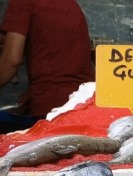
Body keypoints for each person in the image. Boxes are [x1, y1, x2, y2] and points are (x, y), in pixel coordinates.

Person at [0, 0, 93, 129]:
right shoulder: (71, 4)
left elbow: (11, 60)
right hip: (84, 105)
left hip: (49, 109)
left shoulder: (22, 2)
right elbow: (64, 55)